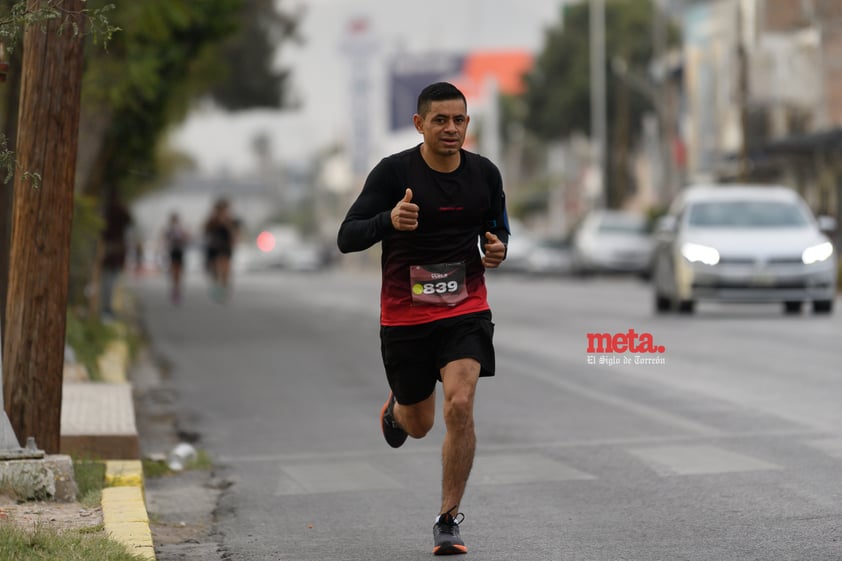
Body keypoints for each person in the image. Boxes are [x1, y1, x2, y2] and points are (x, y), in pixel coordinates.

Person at [336, 82, 509, 556]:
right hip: (405, 317)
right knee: (420, 425)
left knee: (460, 404)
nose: (451, 129)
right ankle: (397, 408)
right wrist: (389, 221)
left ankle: (448, 520)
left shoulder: (485, 174)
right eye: (440, 120)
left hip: (466, 309)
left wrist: (497, 247)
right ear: (420, 124)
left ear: (467, 124)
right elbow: (347, 237)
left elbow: (498, 228)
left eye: (459, 120)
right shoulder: (393, 174)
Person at [100, 191, 133, 321]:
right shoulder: (121, 211)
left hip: (109, 250)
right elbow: (129, 221)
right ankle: (109, 308)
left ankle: (108, 308)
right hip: (117, 250)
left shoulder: (107, 212)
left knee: (108, 281)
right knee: (112, 281)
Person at [203, 198, 239, 301]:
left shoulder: (231, 220)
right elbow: (205, 231)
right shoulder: (212, 221)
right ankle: (218, 289)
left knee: (225, 270)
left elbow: (235, 235)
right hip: (214, 248)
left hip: (226, 248)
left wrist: (226, 224)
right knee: (216, 270)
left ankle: (224, 289)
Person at [162, 212, 190, 304]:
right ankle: (175, 289)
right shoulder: (169, 230)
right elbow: (165, 240)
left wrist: (183, 237)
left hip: (180, 252)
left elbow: (186, 239)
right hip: (173, 252)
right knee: (174, 271)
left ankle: (177, 289)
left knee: (179, 271)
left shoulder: (181, 229)